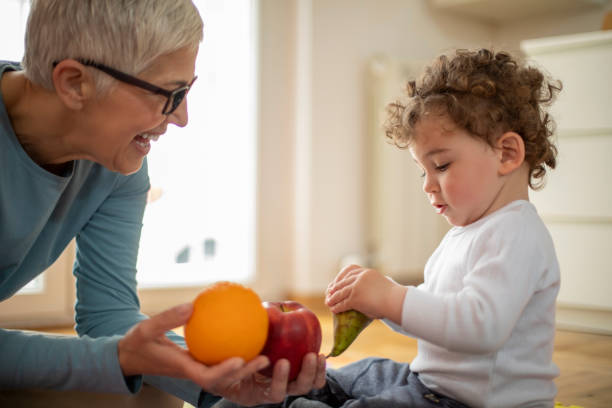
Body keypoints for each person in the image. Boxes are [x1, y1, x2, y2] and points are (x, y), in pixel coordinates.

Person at [0, 1, 326, 407]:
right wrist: (120, 358)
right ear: (74, 83)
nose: (182, 117)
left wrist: (218, 386)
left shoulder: (117, 164)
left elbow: (109, 315)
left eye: (186, 92)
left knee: (153, 394)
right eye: (170, 94)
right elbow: (115, 350)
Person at [220, 48, 563, 408]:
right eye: (423, 171)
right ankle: (300, 392)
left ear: (507, 153)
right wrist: (381, 305)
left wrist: (391, 299)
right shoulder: (468, 233)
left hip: (473, 402)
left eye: (442, 165)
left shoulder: (517, 233)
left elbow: (481, 328)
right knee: (362, 371)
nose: (427, 185)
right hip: (431, 383)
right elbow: (436, 317)